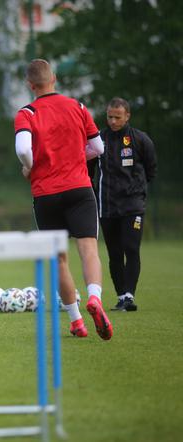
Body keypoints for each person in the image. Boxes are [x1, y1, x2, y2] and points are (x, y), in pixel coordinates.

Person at [14, 58, 112, 340]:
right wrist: (78, 157)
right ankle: (94, 297)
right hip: (79, 190)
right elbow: (98, 147)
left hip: (46, 195)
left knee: (59, 260)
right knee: (89, 250)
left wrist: (30, 165)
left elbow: (23, 149)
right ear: (54, 78)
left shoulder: (27, 113)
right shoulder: (77, 107)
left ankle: (76, 320)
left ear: (30, 85)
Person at [88, 97, 157, 312]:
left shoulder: (140, 139)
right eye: (110, 116)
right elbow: (88, 169)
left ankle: (129, 295)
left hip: (133, 206)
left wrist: (137, 190)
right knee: (114, 253)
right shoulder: (99, 139)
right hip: (107, 206)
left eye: (118, 117)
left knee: (131, 248)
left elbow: (151, 169)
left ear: (127, 116)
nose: (113, 121)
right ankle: (120, 297)